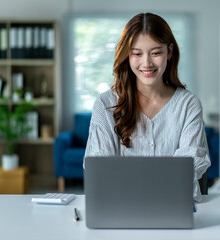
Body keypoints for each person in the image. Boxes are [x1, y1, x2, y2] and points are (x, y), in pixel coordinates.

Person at [84, 12, 210, 202]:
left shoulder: (188, 105)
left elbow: (187, 169)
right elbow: (100, 170)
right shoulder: (106, 104)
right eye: (137, 54)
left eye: (156, 52)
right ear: (127, 55)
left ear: (170, 52)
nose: (147, 63)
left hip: (173, 206)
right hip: (120, 208)